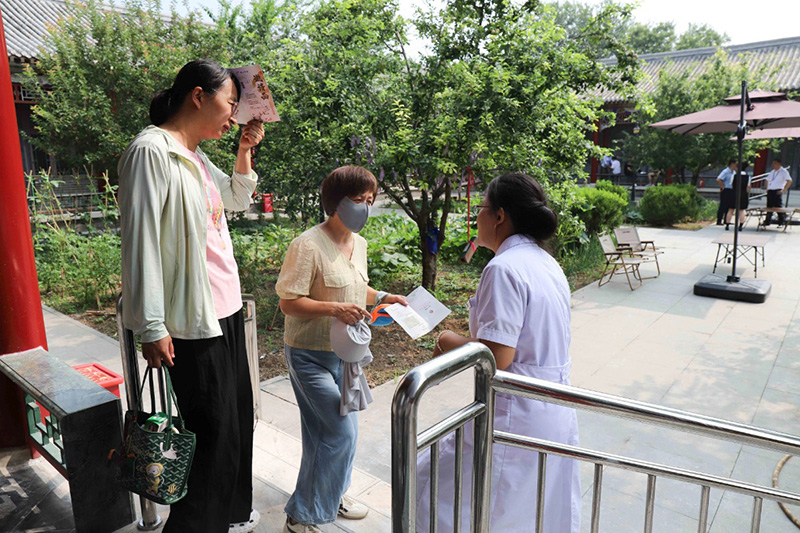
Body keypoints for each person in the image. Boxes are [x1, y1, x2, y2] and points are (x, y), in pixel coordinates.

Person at [118, 60, 265, 533]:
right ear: (198, 96)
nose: (234, 117)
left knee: (235, 428)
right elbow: (140, 242)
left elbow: (237, 199)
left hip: (226, 312)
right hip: (190, 322)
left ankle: (222, 521)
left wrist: (245, 150)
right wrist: (151, 326)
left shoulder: (196, 155)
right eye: (230, 105)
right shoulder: (152, 151)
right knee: (208, 442)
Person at [415, 173, 581, 532]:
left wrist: (446, 340)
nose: (477, 218)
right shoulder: (545, 262)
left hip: (515, 414)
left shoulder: (504, 268)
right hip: (548, 409)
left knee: (446, 497)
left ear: (500, 216)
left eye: (482, 208)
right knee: (529, 511)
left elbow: (496, 357)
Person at [275, 166, 408, 533]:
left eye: (370, 200)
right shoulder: (307, 245)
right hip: (308, 354)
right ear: (336, 201)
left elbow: (353, 286)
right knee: (338, 432)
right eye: (358, 200)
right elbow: (289, 302)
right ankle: (301, 515)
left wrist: (383, 297)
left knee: (335, 430)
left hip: (346, 357)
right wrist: (335, 309)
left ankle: (332, 494)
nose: (366, 207)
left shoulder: (358, 243)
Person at [764, 158, 793, 226]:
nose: (773, 165)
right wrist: (767, 188)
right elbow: (767, 180)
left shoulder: (783, 171)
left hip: (777, 190)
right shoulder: (773, 171)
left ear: (779, 164)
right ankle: (768, 221)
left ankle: (781, 221)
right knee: (769, 206)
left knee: (778, 207)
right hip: (771, 190)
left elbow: (789, 181)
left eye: (774, 163)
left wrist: (784, 189)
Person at [727, 162, 751, 231]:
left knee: (731, 210)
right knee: (741, 210)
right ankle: (740, 226)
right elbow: (748, 187)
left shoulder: (734, 175)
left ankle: (727, 225)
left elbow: (731, 184)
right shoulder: (748, 177)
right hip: (743, 194)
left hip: (734, 193)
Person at [716, 160, 737, 227]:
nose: (736, 166)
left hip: (732, 190)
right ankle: (719, 220)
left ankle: (726, 220)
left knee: (729, 206)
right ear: (731, 164)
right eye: (735, 164)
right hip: (726, 190)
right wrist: (722, 186)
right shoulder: (726, 171)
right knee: (723, 205)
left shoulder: (734, 172)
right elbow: (719, 179)